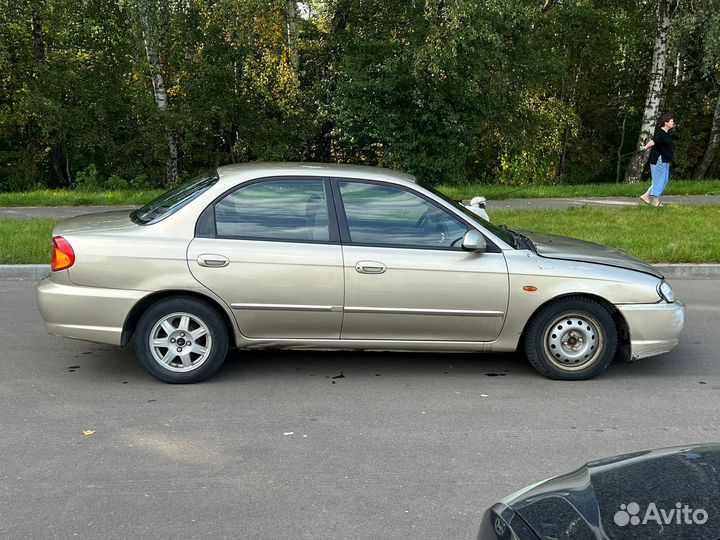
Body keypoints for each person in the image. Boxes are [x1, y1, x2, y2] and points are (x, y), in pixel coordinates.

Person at [639, 113, 676, 207]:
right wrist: (645, 147)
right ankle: (656, 202)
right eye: (672, 121)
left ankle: (646, 196)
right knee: (660, 180)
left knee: (664, 180)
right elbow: (653, 141)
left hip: (665, 160)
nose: (673, 123)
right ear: (666, 122)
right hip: (659, 160)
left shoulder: (667, 133)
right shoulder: (660, 133)